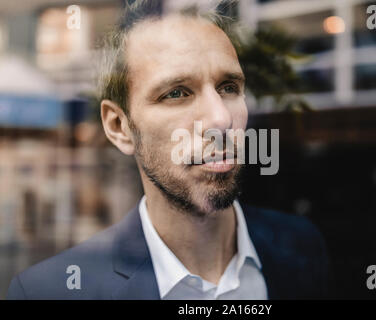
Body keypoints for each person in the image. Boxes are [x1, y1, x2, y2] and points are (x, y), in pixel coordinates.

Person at [7, 0, 330, 300]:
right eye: (176, 93)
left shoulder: (301, 243)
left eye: (229, 87)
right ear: (120, 127)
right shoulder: (49, 291)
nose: (220, 119)